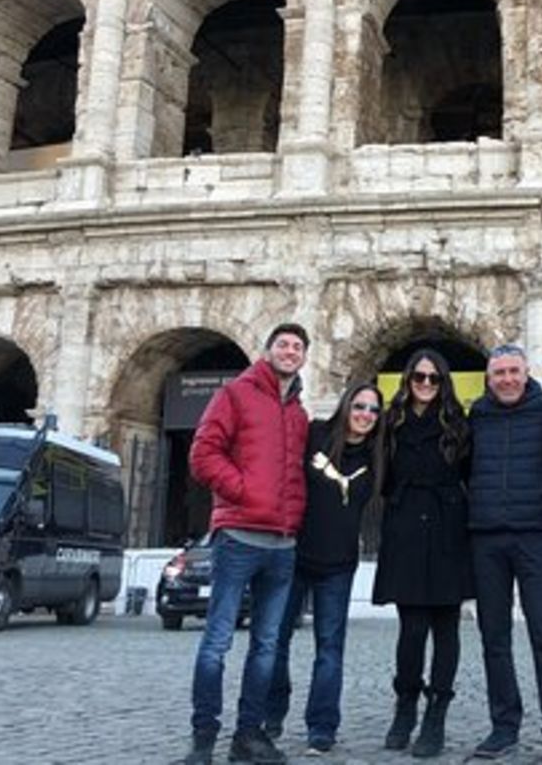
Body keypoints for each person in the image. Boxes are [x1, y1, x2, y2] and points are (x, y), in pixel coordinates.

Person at [179, 323, 311, 765]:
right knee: (217, 641)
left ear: (305, 357)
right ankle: (203, 738)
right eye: (283, 345)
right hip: (238, 537)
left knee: (267, 646)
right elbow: (202, 454)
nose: (290, 352)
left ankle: (248, 736)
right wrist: (242, 491)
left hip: (282, 544)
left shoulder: (299, 414)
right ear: (268, 350)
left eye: (297, 347)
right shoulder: (235, 394)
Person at [265, 382, 386, 754]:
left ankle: (322, 727)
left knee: (330, 648)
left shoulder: (379, 454)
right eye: (360, 406)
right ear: (346, 404)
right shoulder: (315, 433)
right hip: (294, 554)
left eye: (373, 410)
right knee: (274, 642)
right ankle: (272, 712)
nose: (365, 414)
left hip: (339, 564)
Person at [467, 344, 542, 763]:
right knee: (494, 637)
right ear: (488, 378)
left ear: (526, 373)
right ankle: (503, 725)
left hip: (534, 535)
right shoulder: (476, 415)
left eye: (514, 371)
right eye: (499, 374)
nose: (507, 379)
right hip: (486, 537)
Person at [371, 350, 474, 759]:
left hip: (449, 529)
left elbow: (473, 475)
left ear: (443, 382)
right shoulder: (390, 423)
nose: (426, 384)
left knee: (447, 630)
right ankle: (406, 704)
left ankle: (437, 714)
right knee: (411, 630)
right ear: (408, 379)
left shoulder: (459, 424)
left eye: (434, 378)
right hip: (407, 528)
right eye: (419, 377)